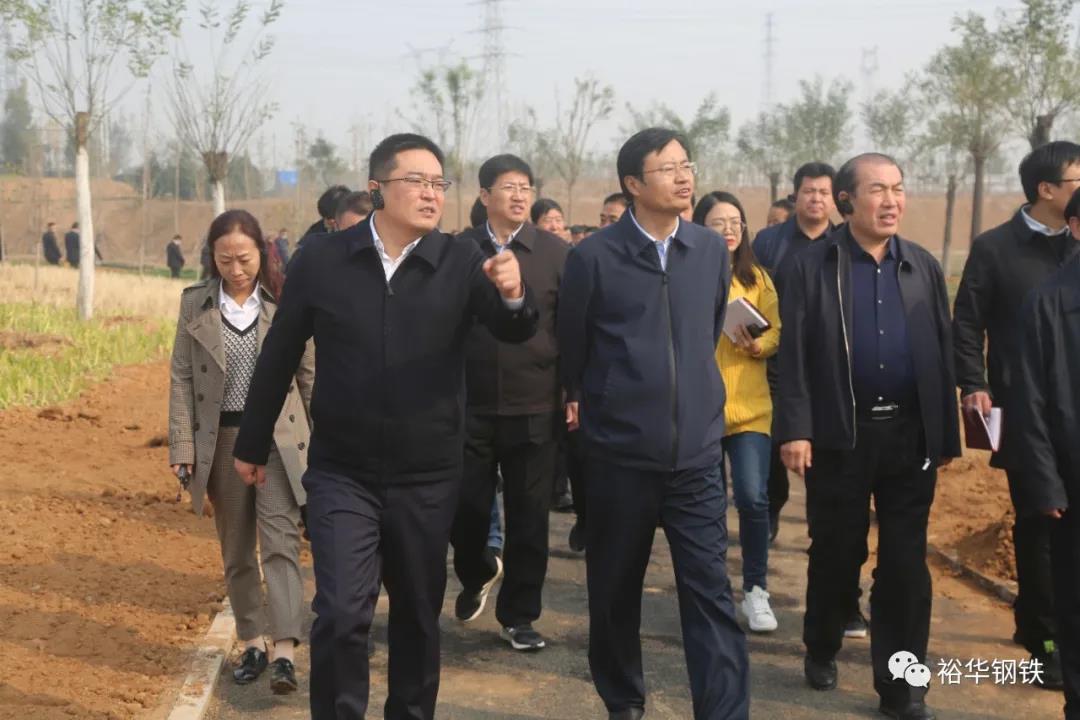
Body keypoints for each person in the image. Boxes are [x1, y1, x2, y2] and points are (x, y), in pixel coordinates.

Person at [232, 133, 537, 720]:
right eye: (416, 181)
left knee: (418, 615)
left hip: (428, 476)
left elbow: (514, 329)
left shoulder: (459, 260)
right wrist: (251, 443)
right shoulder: (323, 259)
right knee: (341, 612)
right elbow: (280, 353)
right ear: (376, 188)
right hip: (342, 473)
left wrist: (514, 293)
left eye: (438, 183)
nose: (431, 193)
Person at [559, 127, 749, 720]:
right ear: (633, 184)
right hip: (619, 458)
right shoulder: (593, 257)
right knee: (615, 591)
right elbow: (574, 349)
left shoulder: (710, 250)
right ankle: (623, 701)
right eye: (667, 168)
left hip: (697, 457)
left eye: (686, 164)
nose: (683, 176)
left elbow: (709, 328)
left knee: (710, 593)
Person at [777, 153, 959, 720]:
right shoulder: (811, 266)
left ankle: (903, 689)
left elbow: (942, 350)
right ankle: (821, 643)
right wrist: (796, 428)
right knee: (837, 551)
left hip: (909, 438)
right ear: (846, 200)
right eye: (877, 189)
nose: (891, 200)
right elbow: (793, 355)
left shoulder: (922, 265)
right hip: (840, 436)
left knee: (905, 565)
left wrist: (944, 434)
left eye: (898, 188)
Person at [168, 209, 313, 696]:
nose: (235, 269)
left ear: (262, 253)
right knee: (236, 547)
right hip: (223, 440)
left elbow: (308, 376)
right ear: (212, 257)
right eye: (225, 259)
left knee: (281, 542)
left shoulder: (286, 301)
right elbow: (181, 377)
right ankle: (253, 642)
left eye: (244, 259)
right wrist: (182, 446)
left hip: (277, 439)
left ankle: (285, 650)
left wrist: (323, 442)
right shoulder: (195, 304)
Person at [954, 141, 1080, 688]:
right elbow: (967, 320)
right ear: (1046, 190)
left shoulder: (1076, 245)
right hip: (1023, 411)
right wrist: (975, 384)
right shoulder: (995, 248)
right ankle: (1044, 638)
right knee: (1039, 519)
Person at [449, 154, 569, 652]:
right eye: (507, 187)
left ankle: (519, 615)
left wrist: (573, 391)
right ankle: (477, 570)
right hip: (469, 404)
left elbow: (571, 326)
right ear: (484, 196)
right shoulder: (458, 251)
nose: (519, 196)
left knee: (530, 517)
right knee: (466, 511)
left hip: (535, 403)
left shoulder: (556, 253)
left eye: (525, 187)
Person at [694, 190, 781, 634]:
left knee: (751, 497)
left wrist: (757, 344)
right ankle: (712, 590)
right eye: (718, 223)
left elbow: (776, 331)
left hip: (750, 411)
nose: (729, 230)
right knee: (706, 507)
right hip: (701, 409)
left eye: (735, 222)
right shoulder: (689, 274)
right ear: (699, 228)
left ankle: (756, 590)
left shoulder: (757, 278)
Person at [1015, 188, 1080, 719]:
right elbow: (1030, 400)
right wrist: (1045, 483)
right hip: (1072, 482)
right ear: (1076, 228)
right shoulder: (1048, 303)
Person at [752, 163, 836, 544]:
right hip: (773, 361)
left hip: (826, 366)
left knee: (824, 454)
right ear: (796, 196)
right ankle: (771, 506)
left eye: (823, 192)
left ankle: (822, 527)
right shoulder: (769, 243)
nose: (816, 198)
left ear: (835, 199)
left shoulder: (844, 243)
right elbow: (749, 291)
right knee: (772, 446)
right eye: (809, 191)